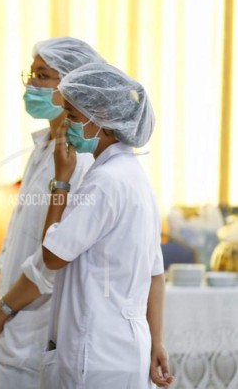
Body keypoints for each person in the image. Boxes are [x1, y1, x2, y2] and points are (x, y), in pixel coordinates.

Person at [0, 38, 104, 388]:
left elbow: (52, 259)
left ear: (73, 85)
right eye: (31, 74)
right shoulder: (45, 148)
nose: (32, 84)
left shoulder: (78, 164)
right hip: (12, 323)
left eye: (44, 75)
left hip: (37, 331)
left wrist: (0, 313)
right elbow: (15, 235)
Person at [38, 63, 174, 388]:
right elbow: (155, 275)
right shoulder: (137, 178)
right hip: (128, 350)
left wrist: (60, 182)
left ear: (103, 121)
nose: (65, 125)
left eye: (72, 116)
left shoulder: (104, 182)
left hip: (95, 355)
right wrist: (157, 342)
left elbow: (52, 256)